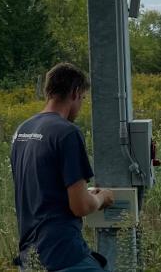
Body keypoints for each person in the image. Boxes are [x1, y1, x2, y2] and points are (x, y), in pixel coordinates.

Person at [10, 62, 115, 272]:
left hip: (31, 256)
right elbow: (81, 206)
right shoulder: (67, 133)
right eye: (83, 98)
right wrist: (102, 197)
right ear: (75, 92)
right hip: (64, 254)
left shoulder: (22, 130)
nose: (81, 104)